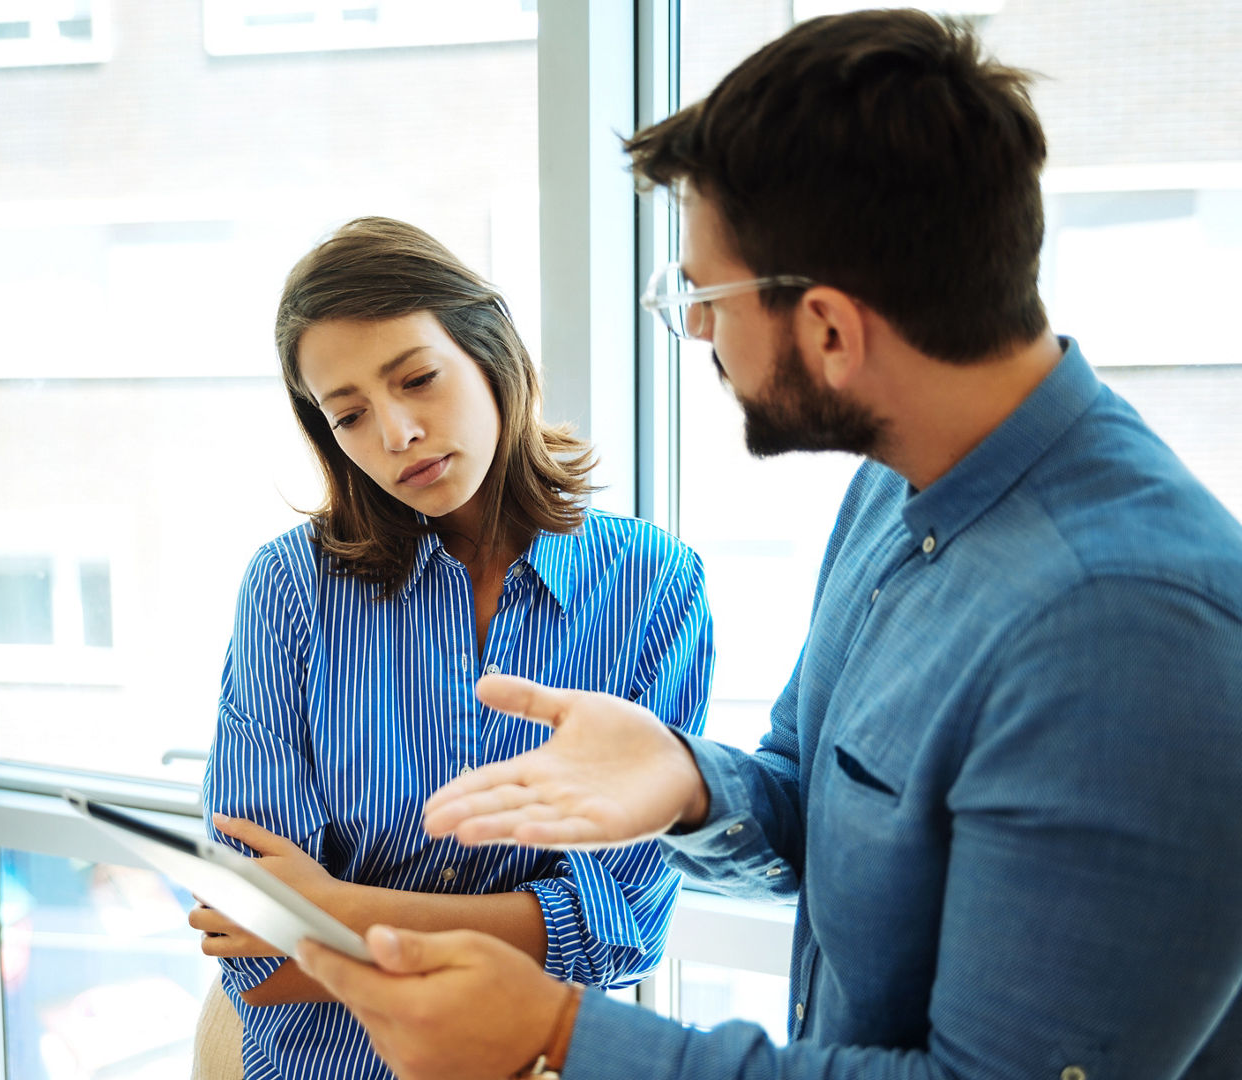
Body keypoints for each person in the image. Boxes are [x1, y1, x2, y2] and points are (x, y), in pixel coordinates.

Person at [289, 11, 1242, 1080]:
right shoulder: (901, 486)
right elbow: (815, 800)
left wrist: (560, 1036)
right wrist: (688, 782)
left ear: (830, 328)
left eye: (704, 294)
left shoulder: (1129, 626)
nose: (694, 330)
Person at [193, 216, 714, 1079]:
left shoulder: (654, 584)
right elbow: (259, 952)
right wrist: (524, 927)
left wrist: (337, 907)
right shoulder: (291, 590)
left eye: (419, 378)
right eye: (350, 415)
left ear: (490, 352)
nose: (395, 434)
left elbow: (624, 921)